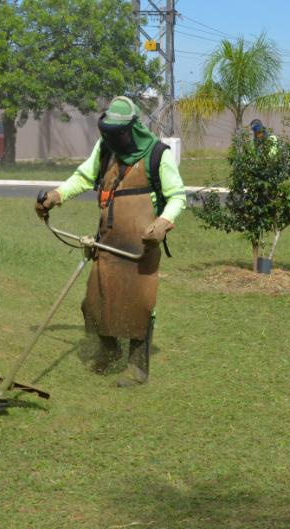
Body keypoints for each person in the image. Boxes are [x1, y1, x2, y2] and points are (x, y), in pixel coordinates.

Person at [35, 96, 186, 387]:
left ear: (132, 129)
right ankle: (109, 351)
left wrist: (163, 223)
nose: (113, 139)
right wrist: (56, 195)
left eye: (119, 134)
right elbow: (83, 177)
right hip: (107, 240)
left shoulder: (158, 154)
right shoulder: (105, 149)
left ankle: (137, 368)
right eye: (109, 133)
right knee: (96, 301)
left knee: (140, 304)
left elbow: (177, 196)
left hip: (142, 245)